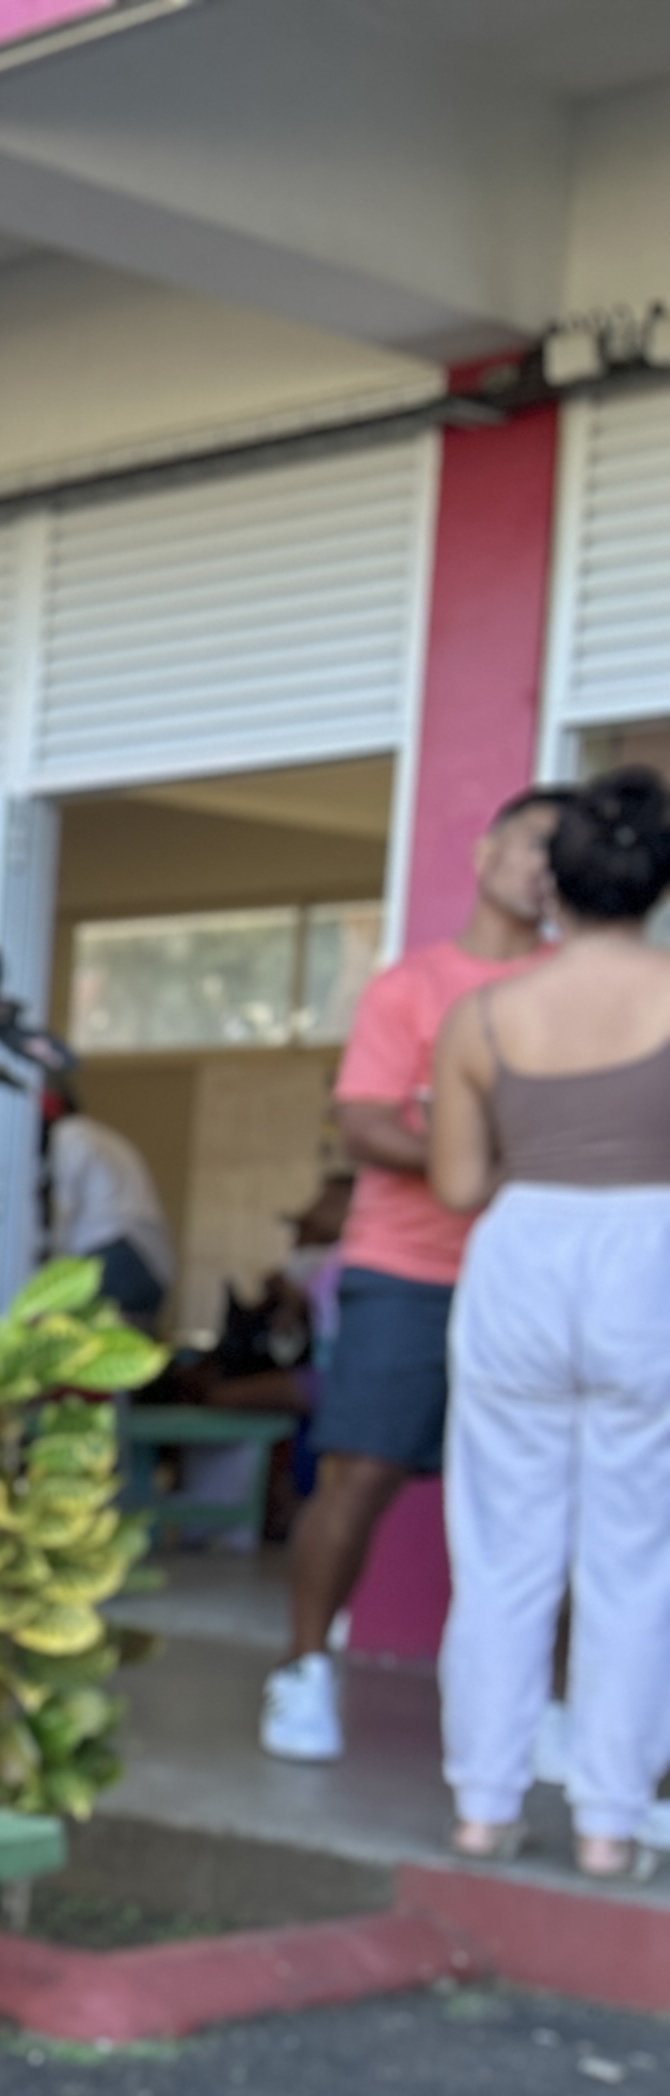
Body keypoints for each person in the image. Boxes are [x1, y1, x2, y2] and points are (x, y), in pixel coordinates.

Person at [260, 783, 565, 1761]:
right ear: (484, 853)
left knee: (543, 1496)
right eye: (528, 843)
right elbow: (364, 1123)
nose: (541, 867)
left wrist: (452, 1134)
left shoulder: (574, 989)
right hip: (405, 1271)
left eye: (563, 854)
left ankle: (538, 1705)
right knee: (359, 1474)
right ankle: (303, 1674)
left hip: (532, 1275)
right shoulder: (413, 986)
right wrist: (492, 1152)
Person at [423, 766, 670, 1881]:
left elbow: (460, 1185)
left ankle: (484, 1808)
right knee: (638, 1559)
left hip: (521, 1256)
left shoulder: (481, 1015)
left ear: (554, 887)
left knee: (502, 1552)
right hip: (650, 1255)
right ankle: (610, 1824)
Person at [40, 1084, 174, 1330]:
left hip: (113, 1258)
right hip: (151, 1266)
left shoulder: (68, 1135)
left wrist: (49, 1283)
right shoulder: (104, 1136)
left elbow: (64, 1210)